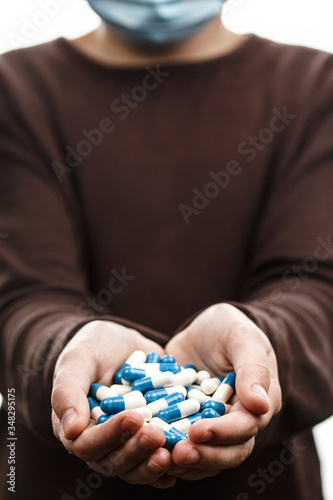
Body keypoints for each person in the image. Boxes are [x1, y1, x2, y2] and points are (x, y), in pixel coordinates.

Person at [0, 0, 332, 498]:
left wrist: (262, 348)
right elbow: (20, 295)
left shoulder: (316, 86)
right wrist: (61, 358)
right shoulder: (14, 87)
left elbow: (320, 288)